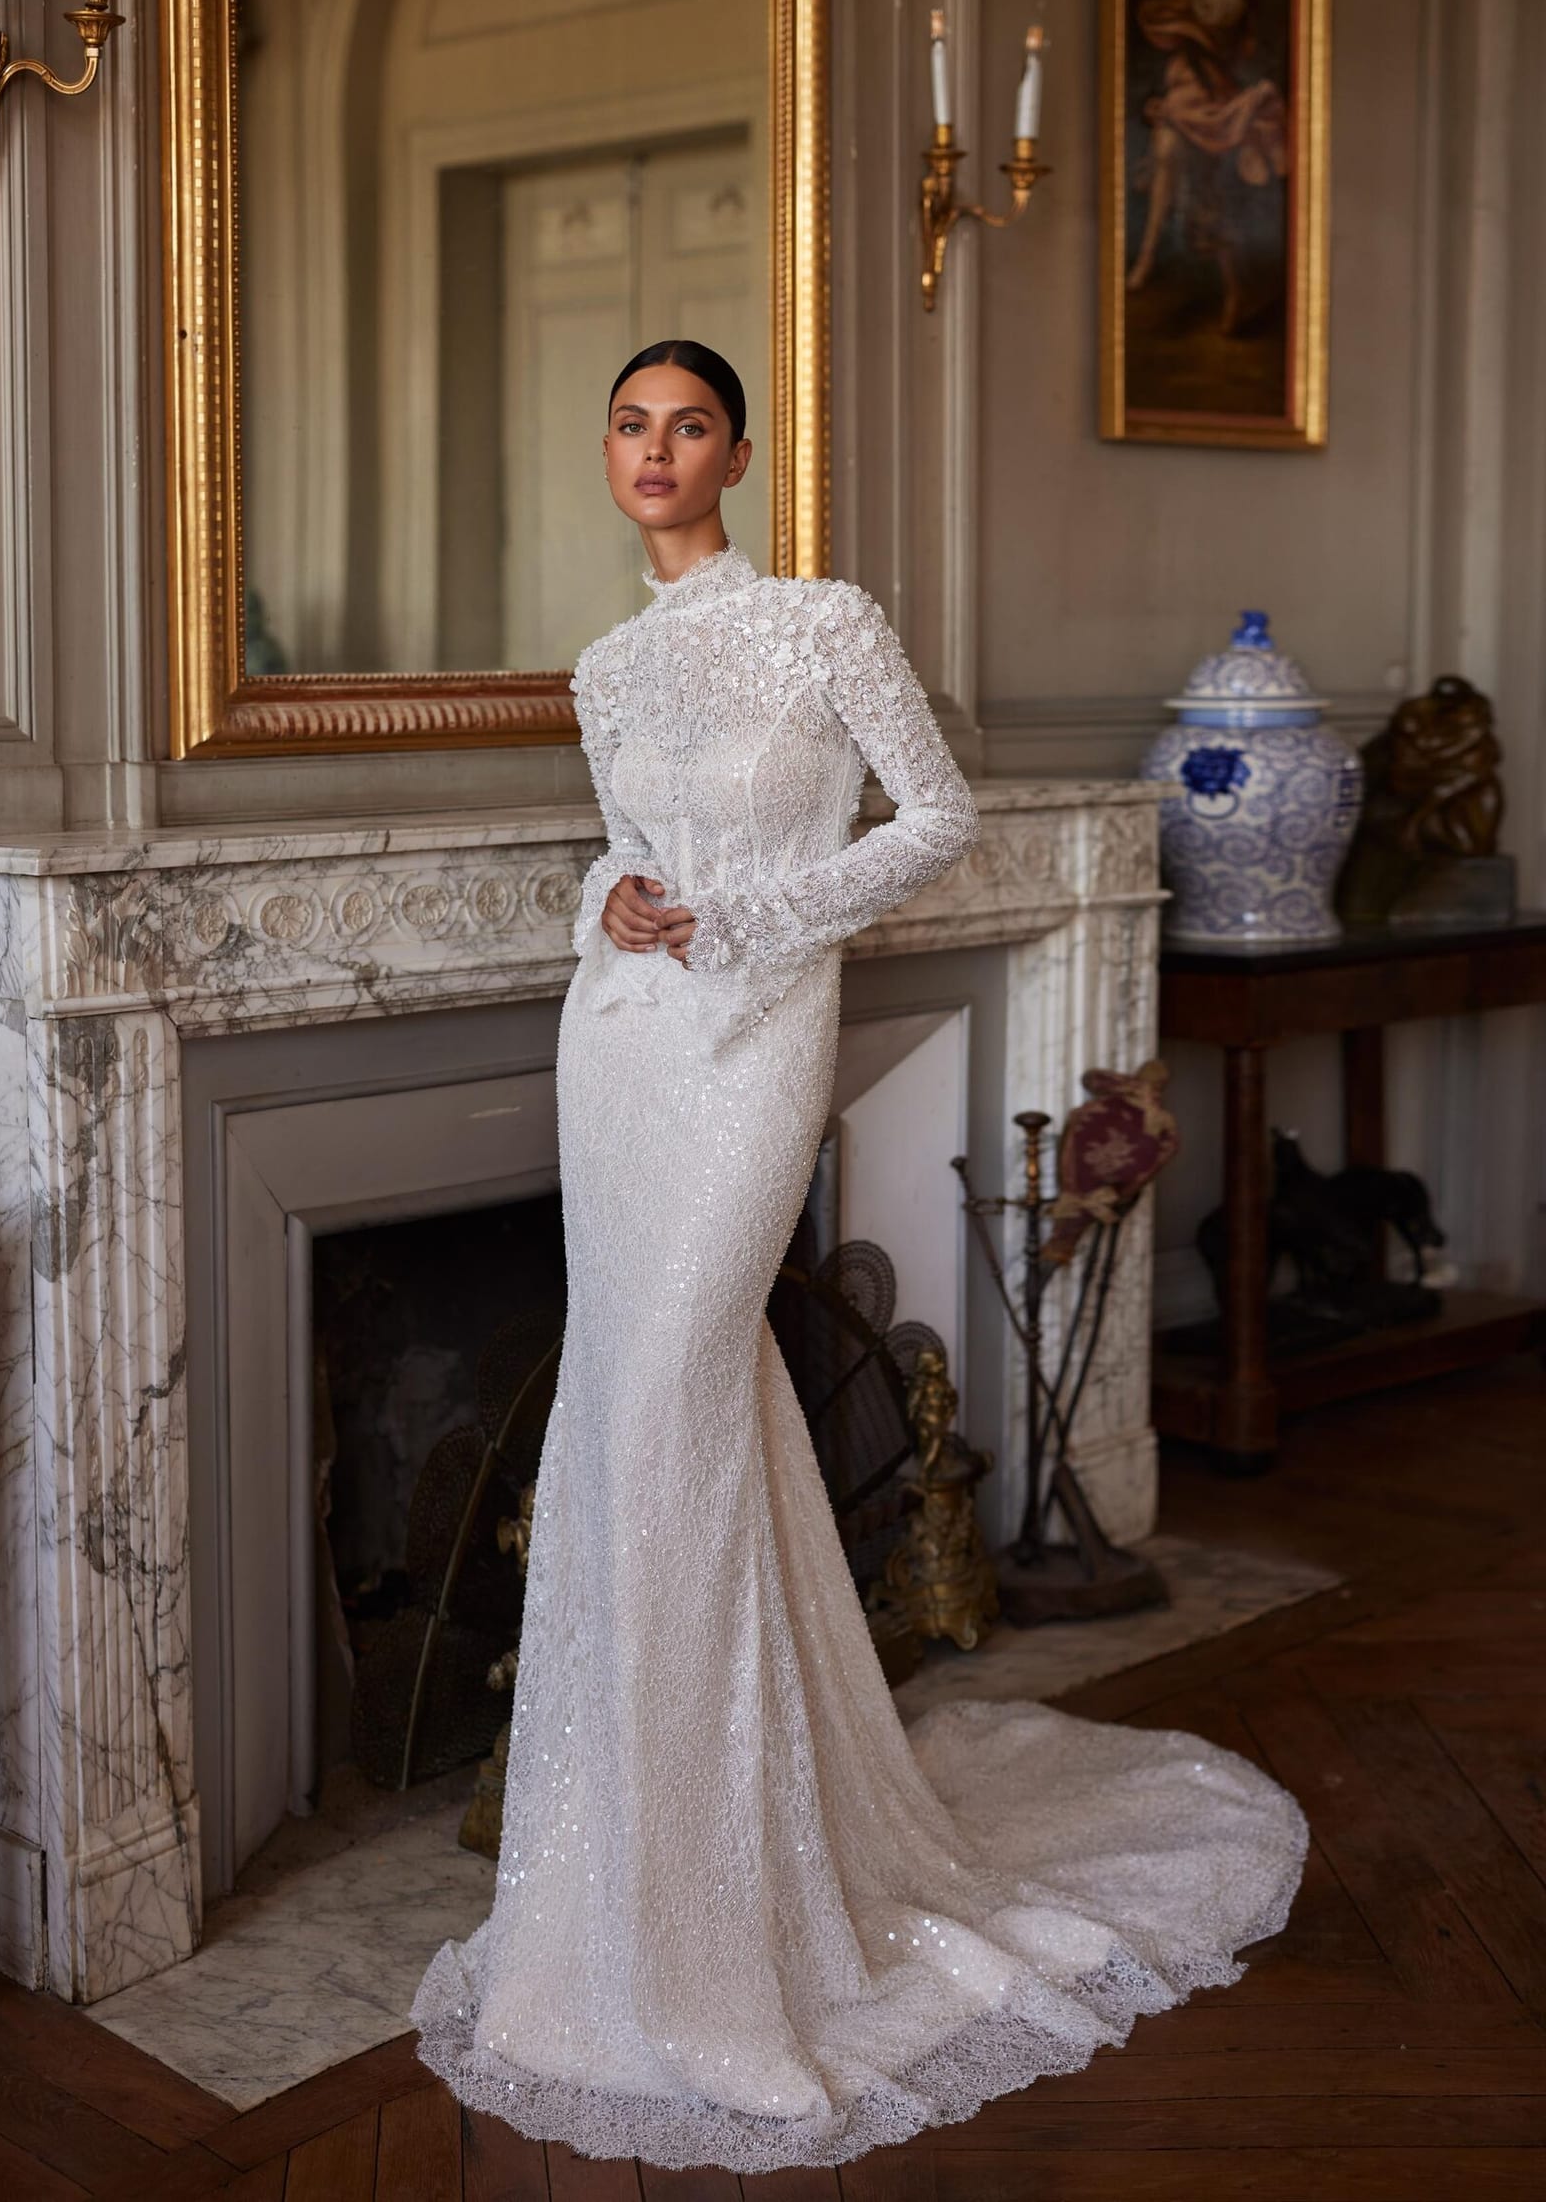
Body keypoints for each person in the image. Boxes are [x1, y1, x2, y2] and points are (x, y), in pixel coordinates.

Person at [410, 339, 1307, 2171]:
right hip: (624, 1038)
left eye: (689, 426)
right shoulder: (601, 667)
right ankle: (636, 1894)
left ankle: (737, 1917)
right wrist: (622, 897)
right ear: (613, 457)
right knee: (652, 1407)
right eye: (631, 427)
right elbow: (618, 855)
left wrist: (743, 909)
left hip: (755, 1045)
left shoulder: (823, 620)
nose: (658, 451)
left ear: (738, 449)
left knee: (670, 1393)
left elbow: (944, 819)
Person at [1126, 0, 1288, 331]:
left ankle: (1194, 276)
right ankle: (1149, 257)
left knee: (1210, 194)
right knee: (1167, 148)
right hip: (1191, 84)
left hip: (1210, 93)